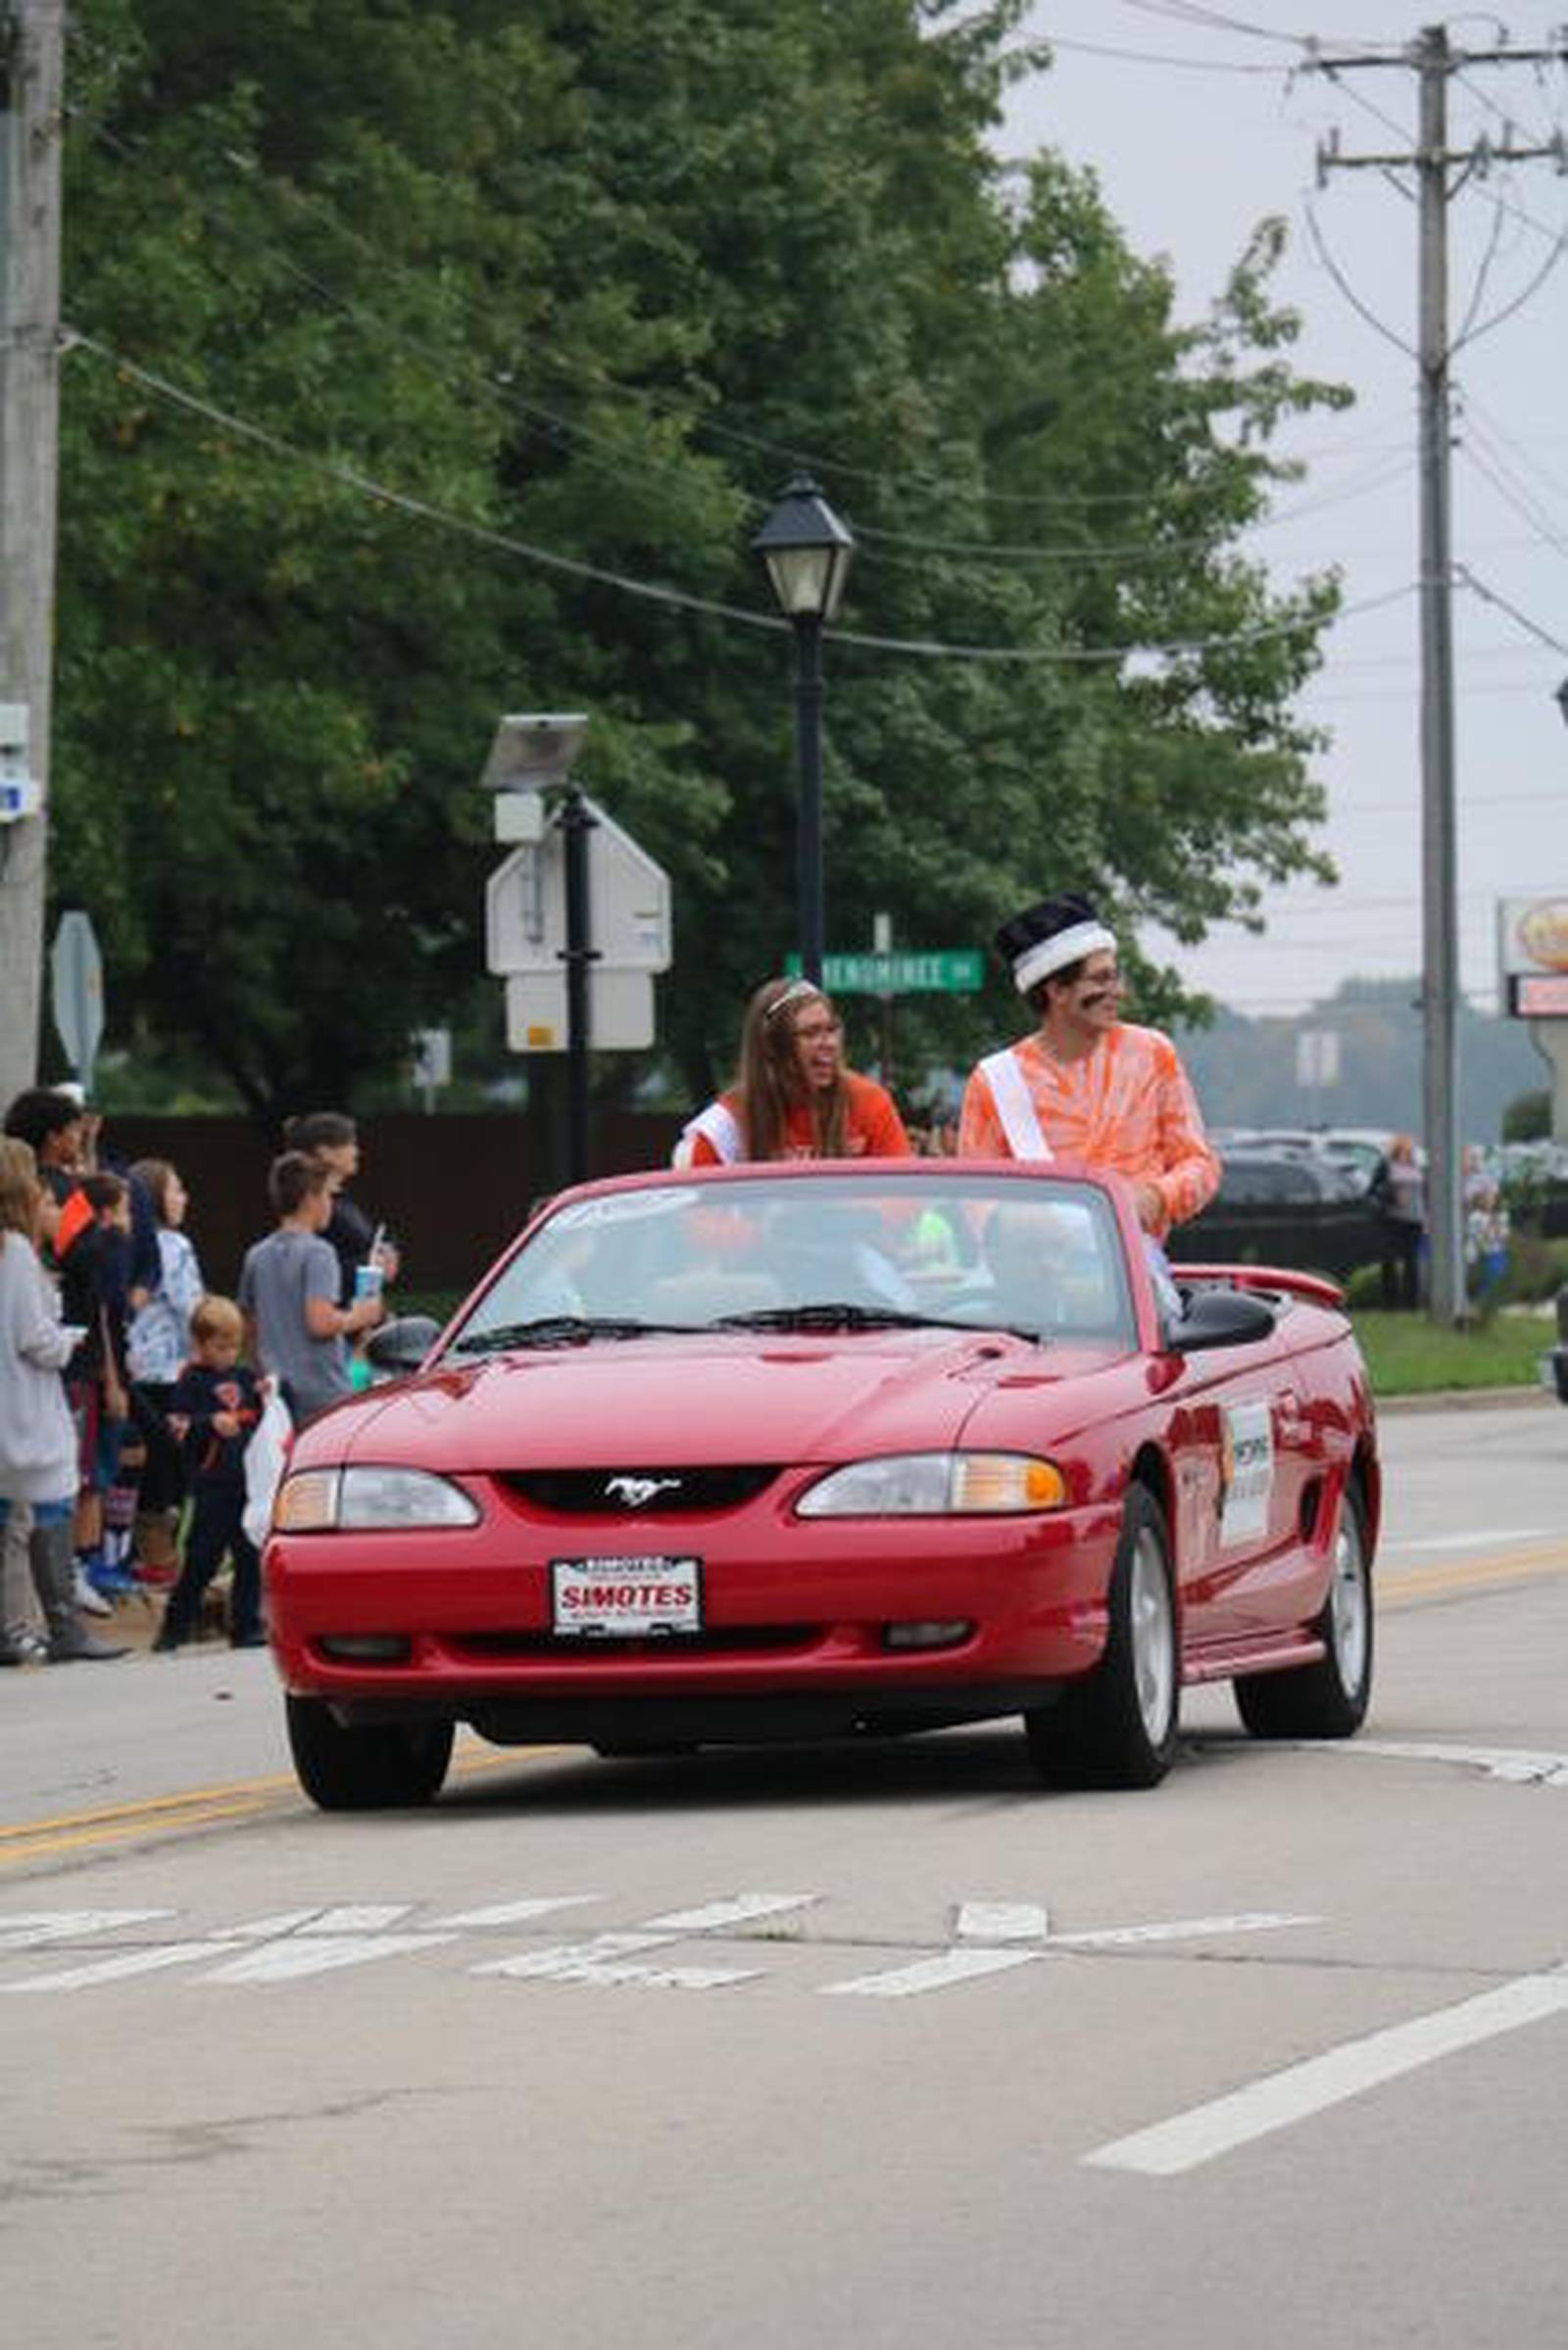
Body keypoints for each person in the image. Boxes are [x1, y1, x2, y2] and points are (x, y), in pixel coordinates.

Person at [957, 893, 1220, 1245]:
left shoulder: (1152, 1054)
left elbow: (1199, 1163)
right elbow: (975, 1201)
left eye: (1115, 978)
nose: (1119, 991)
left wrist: (1155, 1198)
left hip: (1133, 1275)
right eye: (1101, 980)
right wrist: (1027, 1225)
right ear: (1056, 990)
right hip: (1033, 1273)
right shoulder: (995, 1081)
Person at [0, 1138, 126, 1663]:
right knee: (54, 1492)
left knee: (4, 1503)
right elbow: (35, 1338)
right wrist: (68, 1340)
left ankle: (7, 1630)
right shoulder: (17, 1252)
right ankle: (63, 1624)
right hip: (24, 1400)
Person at [672, 977, 911, 1165]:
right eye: (811, 1033)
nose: (828, 1043)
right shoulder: (727, 1122)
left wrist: (859, 1219)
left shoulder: (869, 1102)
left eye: (831, 1030)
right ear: (771, 1047)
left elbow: (902, 1198)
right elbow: (702, 1217)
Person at [237, 1151, 385, 1426]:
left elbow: (249, 1328)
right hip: (322, 1393)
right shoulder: (319, 1253)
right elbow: (320, 1322)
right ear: (310, 1199)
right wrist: (360, 1315)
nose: (330, 1204)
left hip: (277, 1393)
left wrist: (261, 1373)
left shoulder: (256, 1255)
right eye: (328, 1195)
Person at [152, 1296, 265, 1652]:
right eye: (220, 1347)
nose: (228, 1354)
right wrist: (208, 1423)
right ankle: (176, 1626)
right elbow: (177, 1426)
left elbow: (260, 1415)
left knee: (249, 1556)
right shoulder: (192, 1381)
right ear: (200, 1344)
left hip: (246, 1481)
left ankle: (246, 1626)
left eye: (234, 1346)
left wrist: (269, 1396)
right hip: (212, 1482)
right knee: (202, 1557)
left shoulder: (246, 1377)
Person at [125, 1158, 206, 1584]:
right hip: (169, 1372)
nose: (184, 1197)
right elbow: (192, 1309)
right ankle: (159, 1557)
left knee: (136, 1465)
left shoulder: (128, 1242)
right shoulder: (173, 1246)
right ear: (156, 1196)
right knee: (168, 1469)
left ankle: (132, 1554)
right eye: (176, 1189)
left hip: (131, 1370)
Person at [283, 1110, 400, 1308]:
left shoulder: (344, 1201)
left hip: (357, 1317)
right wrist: (370, 1264)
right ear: (324, 1152)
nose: (357, 1151)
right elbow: (313, 1268)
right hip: (333, 1320)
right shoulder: (314, 1209)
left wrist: (386, 1253)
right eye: (350, 1143)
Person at [1371, 1134, 1425, 1310]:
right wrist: (1390, 1196)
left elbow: (1424, 1193)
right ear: (1395, 1150)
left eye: (1409, 1149)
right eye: (1402, 1148)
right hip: (1392, 1219)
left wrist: (1427, 1217)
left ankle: (1411, 1303)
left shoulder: (1416, 1167)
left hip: (1414, 1220)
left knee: (1412, 1262)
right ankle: (1389, 1303)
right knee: (1389, 1260)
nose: (1406, 1151)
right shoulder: (1386, 1166)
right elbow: (1372, 1191)